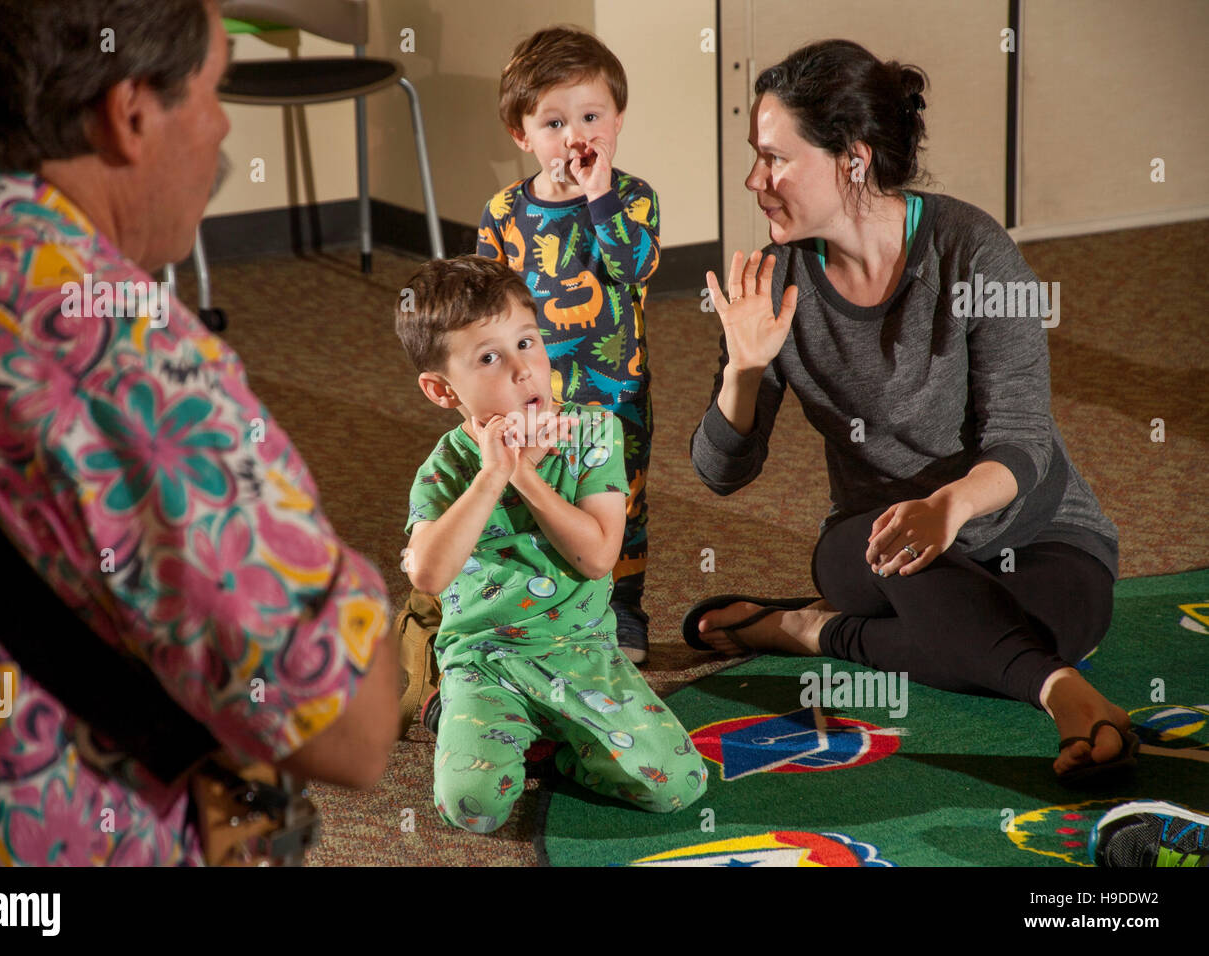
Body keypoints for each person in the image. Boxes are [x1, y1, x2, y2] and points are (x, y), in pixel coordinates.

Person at [0, 0, 398, 865]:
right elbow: (350, 727)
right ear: (129, 112)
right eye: (216, 91)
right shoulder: (116, 347)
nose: (219, 130)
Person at [687, 39, 1131, 784]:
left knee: (1056, 626)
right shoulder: (777, 278)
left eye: (775, 159)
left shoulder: (975, 251)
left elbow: (1023, 439)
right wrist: (743, 370)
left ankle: (806, 629)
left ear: (853, 160)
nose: (754, 180)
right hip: (877, 540)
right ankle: (1062, 694)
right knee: (977, 613)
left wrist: (950, 508)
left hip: (1033, 525)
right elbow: (720, 473)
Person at [396, 255, 705, 833]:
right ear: (441, 390)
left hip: (584, 652)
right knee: (473, 807)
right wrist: (489, 476)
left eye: (527, 342)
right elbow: (429, 576)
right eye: (489, 357)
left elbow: (596, 557)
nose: (522, 370)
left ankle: (553, 749)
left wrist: (523, 476)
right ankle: (454, 708)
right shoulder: (444, 469)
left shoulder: (594, 431)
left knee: (679, 784)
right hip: (486, 660)